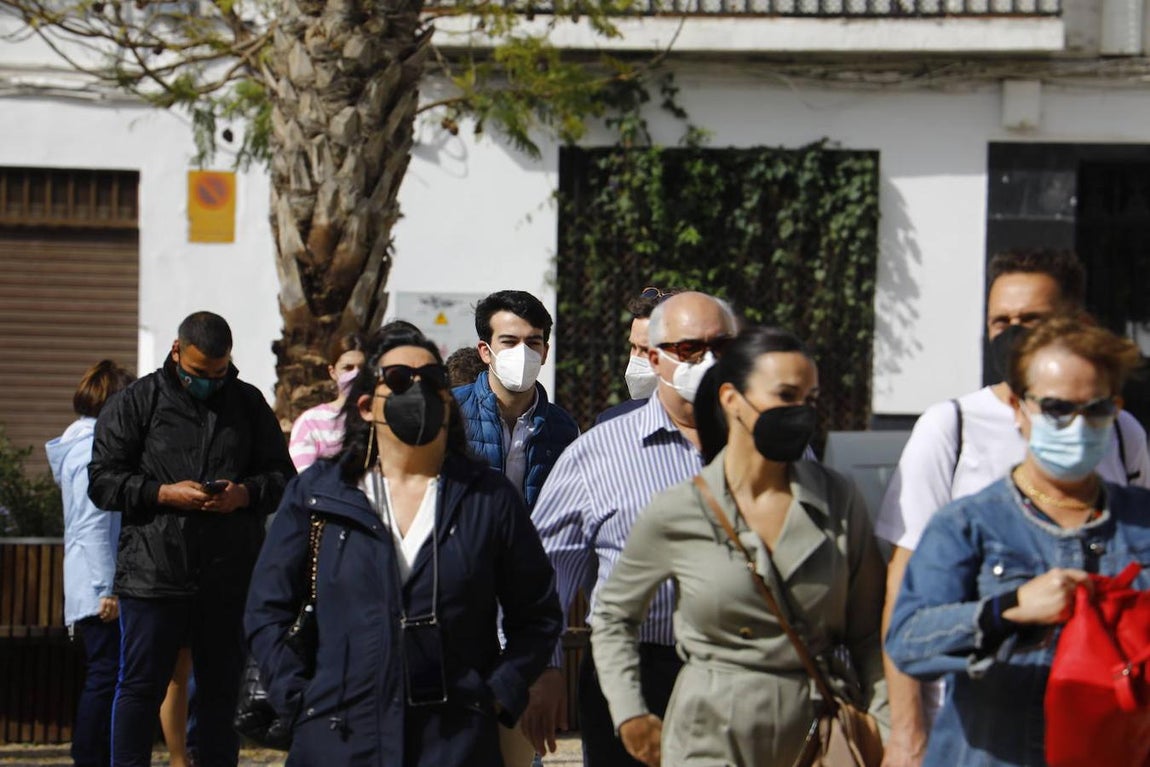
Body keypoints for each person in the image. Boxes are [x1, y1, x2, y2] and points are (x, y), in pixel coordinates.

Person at [874, 249, 1150, 766]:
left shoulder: (1139, 513)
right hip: (995, 748)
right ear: (1019, 409)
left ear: (1114, 409)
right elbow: (908, 633)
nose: (1075, 425)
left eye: (1093, 410)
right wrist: (1008, 610)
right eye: (1056, 410)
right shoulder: (969, 519)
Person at [244, 322, 563, 765]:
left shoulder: (487, 498)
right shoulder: (318, 494)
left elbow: (539, 613)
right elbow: (266, 609)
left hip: (453, 742)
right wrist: (301, 700)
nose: (417, 391)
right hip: (338, 739)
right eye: (396, 380)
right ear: (366, 405)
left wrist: (495, 696)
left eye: (431, 381)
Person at [591, 327, 888, 766]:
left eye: (810, 400)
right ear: (731, 399)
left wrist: (882, 723)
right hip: (709, 732)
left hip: (815, 731)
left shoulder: (837, 499)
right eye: (786, 395)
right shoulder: (681, 508)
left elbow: (871, 633)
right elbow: (614, 616)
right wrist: (630, 714)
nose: (801, 412)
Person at [523, 291, 739, 766]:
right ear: (654, 356)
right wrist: (545, 667)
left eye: (718, 348)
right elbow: (543, 573)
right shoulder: (598, 453)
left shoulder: (773, 451)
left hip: (746, 676)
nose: (704, 362)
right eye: (688, 349)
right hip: (632, 676)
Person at [87, 311, 295, 767]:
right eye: (200, 374)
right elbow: (102, 483)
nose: (209, 382)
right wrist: (162, 493)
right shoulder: (135, 403)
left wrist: (243, 494)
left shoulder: (247, 403)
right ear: (177, 351)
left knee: (221, 692)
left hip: (226, 576)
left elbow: (282, 477)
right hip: (153, 574)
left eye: (219, 373)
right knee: (140, 687)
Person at [45, 359, 135, 767]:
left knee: (106, 675)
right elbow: (94, 523)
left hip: (91, 583)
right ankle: (91, 758)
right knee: (107, 677)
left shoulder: (81, 447)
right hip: (100, 589)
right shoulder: (90, 453)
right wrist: (109, 588)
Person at [453, 290, 579, 511]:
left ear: (544, 352)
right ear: (485, 351)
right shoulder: (451, 411)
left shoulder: (563, 428)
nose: (523, 352)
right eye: (509, 342)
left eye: (533, 343)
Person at [594, 287, 681, 425]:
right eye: (633, 347)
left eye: (646, 350)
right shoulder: (611, 424)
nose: (635, 357)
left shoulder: (721, 418)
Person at [288, 332, 367, 471]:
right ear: (332, 372)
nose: (355, 375)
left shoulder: (383, 417)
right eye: (348, 368)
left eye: (362, 368)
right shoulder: (310, 423)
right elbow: (305, 483)